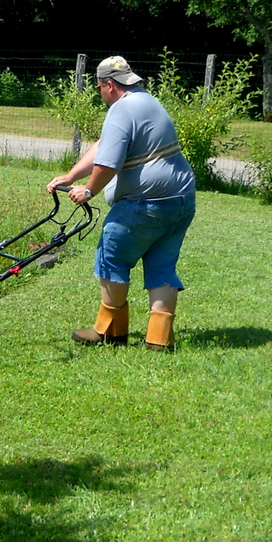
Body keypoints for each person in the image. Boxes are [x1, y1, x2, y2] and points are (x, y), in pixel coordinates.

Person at [47, 55, 196, 351]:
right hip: (180, 201)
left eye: (99, 88)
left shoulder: (120, 109)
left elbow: (109, 163)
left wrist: (88, 191)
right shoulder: (146, 101)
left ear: (109, 85)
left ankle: (108, 331)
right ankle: (159, 339)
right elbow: (104, 145)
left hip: (145, 203)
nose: (100, 94)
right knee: (161, 265)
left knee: (112, 255)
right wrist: (72, 175)